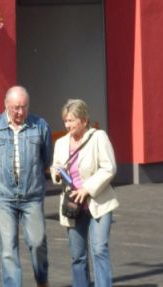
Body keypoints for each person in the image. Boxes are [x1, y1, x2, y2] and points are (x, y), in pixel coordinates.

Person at [0, 85, 53, 287]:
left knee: (37, 243)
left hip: (32, 196)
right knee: (8, 250)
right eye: (16, 107)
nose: (20, 112)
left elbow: (46, 158)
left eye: (24, 107)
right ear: (6, 105)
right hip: (5, 198)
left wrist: (35, 177)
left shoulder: (40, 126)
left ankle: (42, 280)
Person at [50, 99, 118, 287]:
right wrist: (56, 173)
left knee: (99, 249)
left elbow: (109, 168)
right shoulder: (61, 143)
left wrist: (87, 188)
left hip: (98, 202)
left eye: (71, 120)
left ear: (84, 119)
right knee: (77, 255)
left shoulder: (98, 137)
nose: (67, 125)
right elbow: (56, 167)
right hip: (73, 205)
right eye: (65, 120)